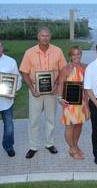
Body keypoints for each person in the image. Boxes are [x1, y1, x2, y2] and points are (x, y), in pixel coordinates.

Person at [19, 27, 67, 159]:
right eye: (42, 36)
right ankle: (33, 146)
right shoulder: (29, 52)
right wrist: (32, 88)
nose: (45, 38)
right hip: (35, 91)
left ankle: (49, 144)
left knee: (50, 118)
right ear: (38, 37)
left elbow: (63, 69)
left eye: (47, 36)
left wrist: (57, 84)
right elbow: (24, 72)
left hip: (52, 91)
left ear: (50, 37)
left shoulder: (57, 51)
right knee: (34, 119)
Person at [57, 46, 90, 160]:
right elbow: (60, 84)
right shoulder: (66, 69)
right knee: (70, 126)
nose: (76, 56)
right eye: (74, 54)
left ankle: (76, 145)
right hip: (69, 103)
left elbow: (87, 87)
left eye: (78, 54)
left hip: (81, 102)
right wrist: (60, 98)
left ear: (81, 55)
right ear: (70, 56)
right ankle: (72, 149)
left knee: (79, 125)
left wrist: (87, 105)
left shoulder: (86, 67)